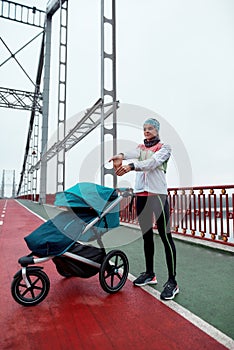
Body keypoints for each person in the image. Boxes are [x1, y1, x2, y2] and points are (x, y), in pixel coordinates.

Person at [109, 118, 179, 300]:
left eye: (150, 128)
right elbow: (130, 153)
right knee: (147, 237)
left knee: (165, 237)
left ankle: (173, 281)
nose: (146, 131)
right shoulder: (140, 148)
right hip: (141, 197)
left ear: (157, 130)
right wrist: (121, 156)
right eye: (144, 128)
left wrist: (131, 166)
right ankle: (150, 274)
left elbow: (153, 163)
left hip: (158, 197)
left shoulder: (165, 148)